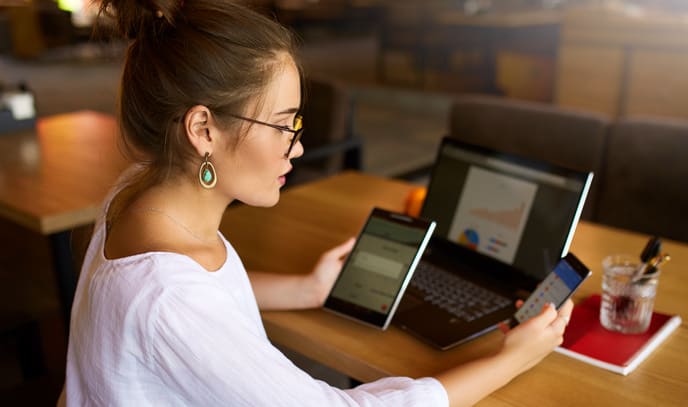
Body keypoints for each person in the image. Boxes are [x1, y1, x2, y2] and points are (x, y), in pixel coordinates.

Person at [59, 1, 573, 406]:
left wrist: (308, 288)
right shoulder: (169, 299)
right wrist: (512, 358)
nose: (298, 145)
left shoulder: (138, 194)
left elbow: (201, 296)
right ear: (203, 129)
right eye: (284, 125)